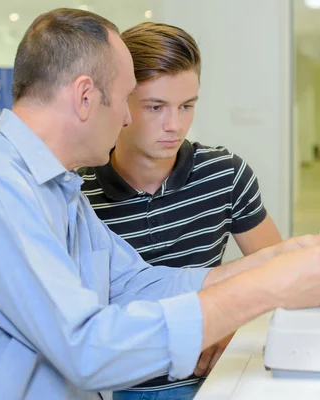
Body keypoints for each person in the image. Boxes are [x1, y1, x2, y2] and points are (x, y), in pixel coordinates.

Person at [0, 8, 320, 400]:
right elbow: (87, 346)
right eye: (130, 100)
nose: (130, 117)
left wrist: (273, 261)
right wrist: (267, 289)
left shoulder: (58, 189)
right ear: (86, 97)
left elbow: (137, 282)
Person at [79, 22, 282, 399]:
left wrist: (233, 324)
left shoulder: (225, 174)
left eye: (187, 106)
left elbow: (277, 275)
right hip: (122, 383)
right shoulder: (79, 193)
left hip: (214, 378)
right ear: (121, 102)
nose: (175, 126)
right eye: (155, 107)